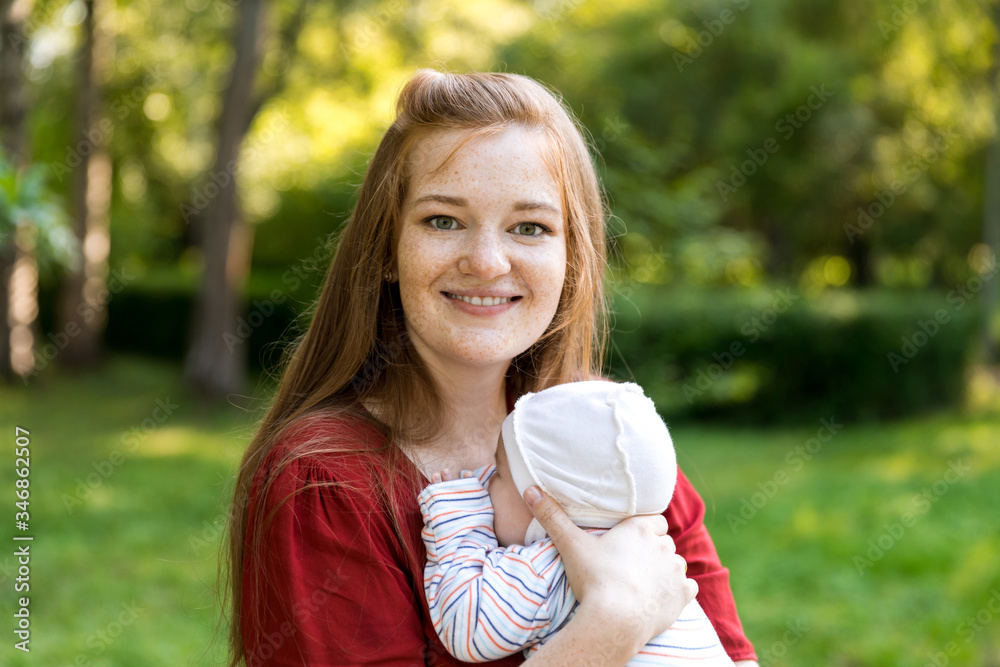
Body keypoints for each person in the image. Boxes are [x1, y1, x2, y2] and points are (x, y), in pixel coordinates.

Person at [225, 68, 759, 666]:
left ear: (570, 259)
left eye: (529, 227)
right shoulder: (325, 481)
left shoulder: (610, 436)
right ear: (386, 250)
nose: (486, 261)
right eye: (443, 220)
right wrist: (608, 628)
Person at [420, 381, 734, 665]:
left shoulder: (551, 567)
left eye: (500, 473)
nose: (484, 480)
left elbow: (469, 625)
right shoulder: (647, 560)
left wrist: (458, 519)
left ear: (546, 503)